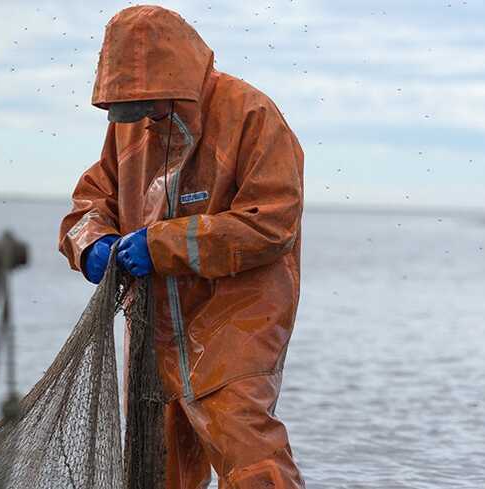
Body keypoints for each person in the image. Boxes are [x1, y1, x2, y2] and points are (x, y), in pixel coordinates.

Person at [58, 5, 305, 489]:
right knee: (161, 468)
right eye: (132, 103)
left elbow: (272, 223)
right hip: (154, 332)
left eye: (150, 100)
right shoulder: (132, 125)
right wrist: (91, 243)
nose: (144, 112)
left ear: (175, 73)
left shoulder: (251, 114)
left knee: (249, 452)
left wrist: (161, 245)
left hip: (237, 324)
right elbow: (90, 202)